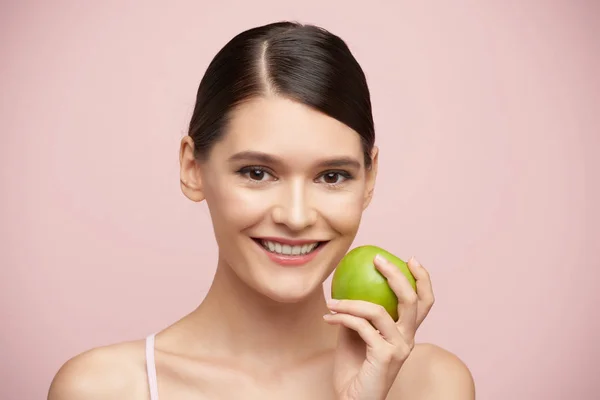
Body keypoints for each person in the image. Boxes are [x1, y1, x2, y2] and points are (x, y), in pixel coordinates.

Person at [48, 21, 475, 400]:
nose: (295, 216)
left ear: (370, 178)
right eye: (257, 172)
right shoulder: (106, 388)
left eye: (331, 176)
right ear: (192, 168)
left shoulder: (430, 384)